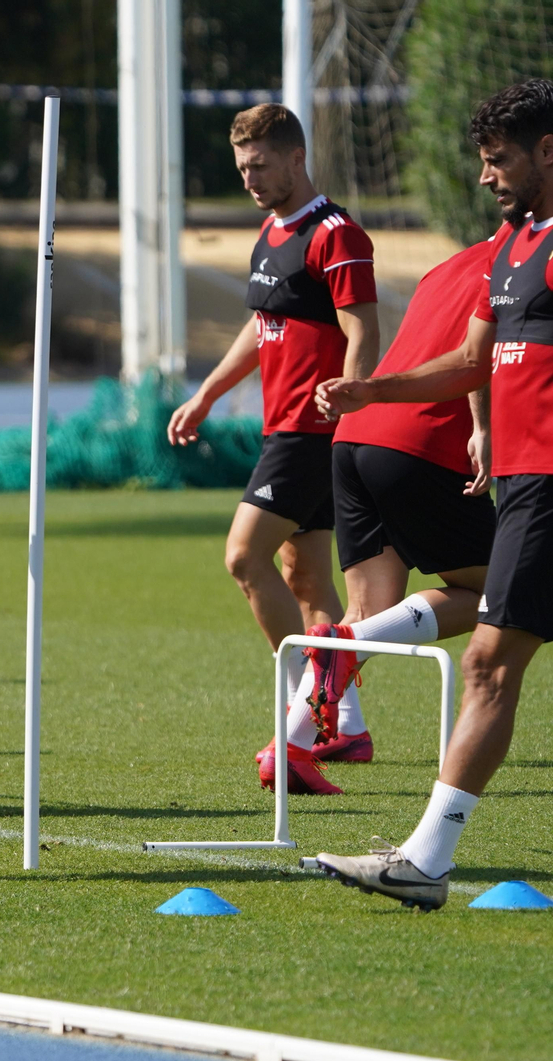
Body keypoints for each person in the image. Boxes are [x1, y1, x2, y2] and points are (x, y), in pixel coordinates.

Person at [312, 78, 553, 909]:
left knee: (487, 661)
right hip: (521, 484)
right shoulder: (516, 244)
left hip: (550, 486)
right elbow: (471, 363)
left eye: (500, 161)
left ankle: (424, 862)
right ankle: (425, 860)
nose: (487, 177)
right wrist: (370, 392)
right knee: (491, 655)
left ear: (549, 152)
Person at [165, 103, 379, 795]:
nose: (251, 179)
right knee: (307, 580)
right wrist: (206, 393)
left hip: (312, 433)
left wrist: (351, 391)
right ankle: (342, 724)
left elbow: (362, 328)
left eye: (260, 165)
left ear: (295, 157)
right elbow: (263, 330)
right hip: (283, 428)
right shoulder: (270, 232)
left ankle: (301, 717)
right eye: (242, 169)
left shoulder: (337, 234)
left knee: (242, 556)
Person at [253, 242, 496, 795]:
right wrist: (483, 427)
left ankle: (294, 744)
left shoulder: (448, 266)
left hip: (357, 438)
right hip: (422, 444)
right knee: (510, 594)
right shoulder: (527, 260)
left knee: (367, 616)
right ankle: (335, 655)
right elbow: (479, 357)